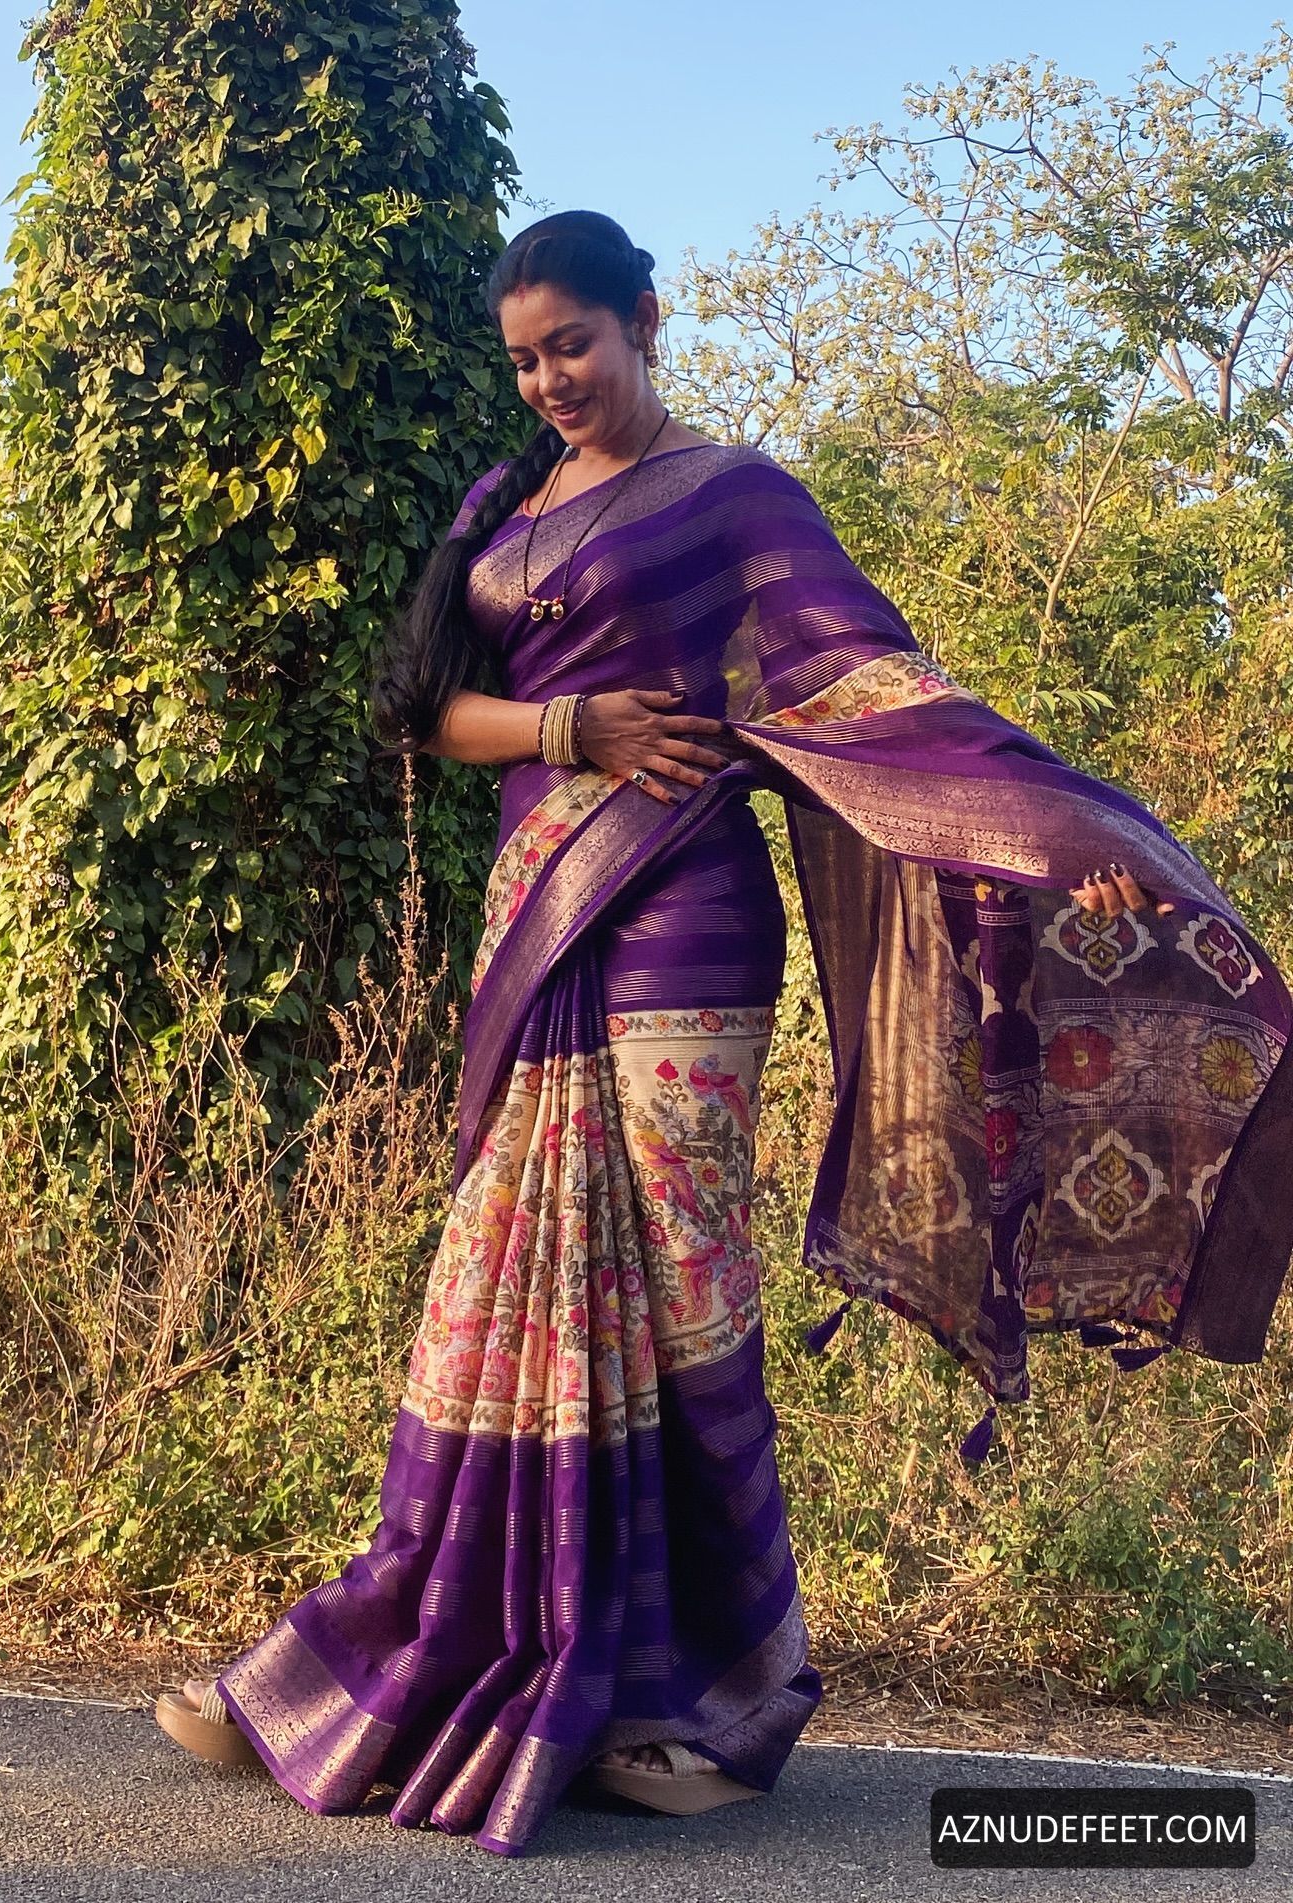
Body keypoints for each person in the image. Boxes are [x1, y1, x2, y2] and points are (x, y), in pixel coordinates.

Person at [154, 210, 1293, 1856]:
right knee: (495, 1291)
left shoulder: (738, 501)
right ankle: (405, 1648)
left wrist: (1061, 845)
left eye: (573, 343)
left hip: (687, 923)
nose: (550, 379)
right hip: (538, 929)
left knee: (689, 1288)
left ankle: (714, 1699)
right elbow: (429, 713)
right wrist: (575, 726)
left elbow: (880, 697)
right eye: (525, 357)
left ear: (646, 318)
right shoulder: (501, 509)